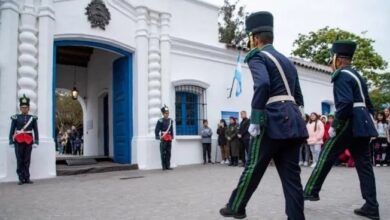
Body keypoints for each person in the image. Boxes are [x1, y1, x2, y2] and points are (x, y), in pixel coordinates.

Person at [220, 11, 308, 220]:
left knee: (253, 166)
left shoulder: (257, 55)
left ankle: (236, 206)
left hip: (272, 119)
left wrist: (256, 117)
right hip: (293, 121)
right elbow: (298, 96)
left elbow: (263, 84)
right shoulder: (287, 62)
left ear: (255, 38)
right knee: (292, 178)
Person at [304, 40, 380, 220]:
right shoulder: (357, 76)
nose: (331, 64)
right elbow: (369, 104)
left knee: (325, 156)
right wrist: (368, 121)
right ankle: (371, 206)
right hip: (362, 122)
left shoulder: (341, 75)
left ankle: (310, 191)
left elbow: (345, 103)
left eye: (331, 60)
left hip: (348, 122)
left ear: (337, 59)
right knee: (364, 166)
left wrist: (336, 126)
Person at [9, 94, 39, 185]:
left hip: (29, 140)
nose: (24, 109)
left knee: (27, 159)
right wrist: (11, 140)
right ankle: (21, 178)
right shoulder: (15, 117)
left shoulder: (32, 118)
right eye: (22, 107)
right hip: (18, 140)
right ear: (20, 108)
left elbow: (36, 130)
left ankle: (27, 177)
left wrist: (36, 140)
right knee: (19, 159)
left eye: (26, 107)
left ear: (28, 108)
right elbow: (12, 129)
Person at [155, 105, 174, 171]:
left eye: (168, 113)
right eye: (166, 113)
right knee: (163, 152)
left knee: (169, 152)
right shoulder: (160, 121)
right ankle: (163, 166)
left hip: (169, 137)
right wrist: (157, 136)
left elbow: (171, 129)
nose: (167, 114)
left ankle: (168, 166)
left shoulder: (171, 120)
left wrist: (172, 136)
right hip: (163, 137)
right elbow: (157, 129)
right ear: (163, 114)